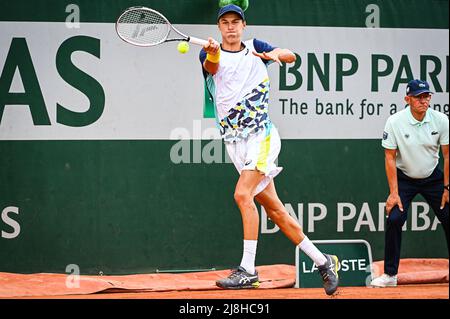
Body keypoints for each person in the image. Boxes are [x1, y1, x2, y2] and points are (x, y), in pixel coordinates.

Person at [199, 4, 339, 295]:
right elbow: (211, 68)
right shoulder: (208, 53)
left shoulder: (256, 47)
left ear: (244, 25)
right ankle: (323, 261)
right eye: (225, 22)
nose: (231, 27)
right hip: (234, 142)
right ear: (219, 27)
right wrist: (212, 52)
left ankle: (248, 270)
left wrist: (275, 54)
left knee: (241, 194)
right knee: (275, 210)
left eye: (235, 22)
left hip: (261, 136)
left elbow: (291, 55)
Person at [370, 79, 449, 287]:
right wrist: (394, 193)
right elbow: (389, 158)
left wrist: (447, 187)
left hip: (434, 178)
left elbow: (447, 156)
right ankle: (390, 275)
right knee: (395, 218)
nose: (424, 101)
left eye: (427, 96)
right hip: (404, 178)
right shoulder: (395, 122)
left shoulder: (441, 120)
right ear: (408, 99)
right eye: (418, 97)